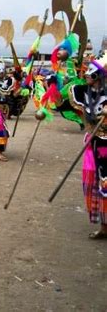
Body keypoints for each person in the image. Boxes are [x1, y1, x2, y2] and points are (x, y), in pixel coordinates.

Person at [68, 54, 107, 239]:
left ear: (98, 77)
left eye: (89, 75)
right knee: (96, 185)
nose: (86, 77)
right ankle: (104, 226)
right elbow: (67, 92)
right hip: (93, 144)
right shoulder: (84, 92)